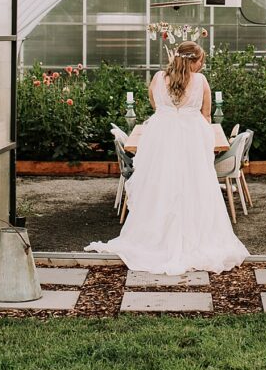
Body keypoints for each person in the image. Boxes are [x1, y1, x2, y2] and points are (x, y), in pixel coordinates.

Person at [86, 41, 249, 274]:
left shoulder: (158, 78)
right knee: (194, 186)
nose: (202, 66)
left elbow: (155, 105)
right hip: (191, 139)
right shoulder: (201, 81)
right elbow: (206, 115)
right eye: (201, 61)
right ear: (194, 61)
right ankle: (195, 237)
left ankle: (155, 237)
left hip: (161, 139)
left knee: (160, 185)